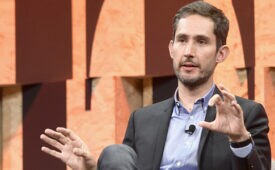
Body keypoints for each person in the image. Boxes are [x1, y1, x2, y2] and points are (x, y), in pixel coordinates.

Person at [40, 1, 271, 170]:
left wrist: (240, 139)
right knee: (114, 153)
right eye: (182, 40)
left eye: (201, 42)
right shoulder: (142, 120)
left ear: (221, 53)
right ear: (172, 49)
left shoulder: (246, 115)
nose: (189, 52)